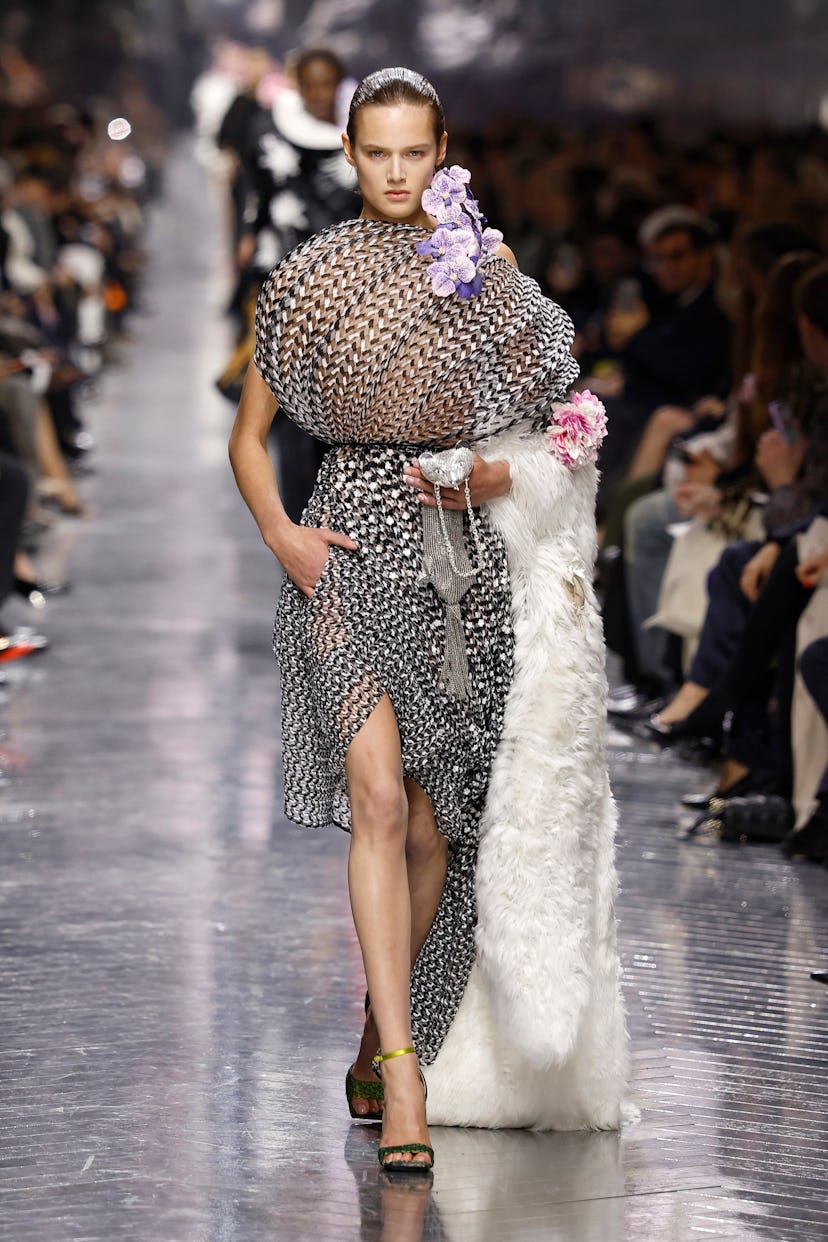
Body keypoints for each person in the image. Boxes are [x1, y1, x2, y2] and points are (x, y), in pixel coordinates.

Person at [229, 68, 628, 1172]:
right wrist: (283, 534)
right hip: (346, 542)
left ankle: (380, 1017)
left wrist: (498, 478)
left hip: (458, 564)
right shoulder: (308, 279)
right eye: (376, 152)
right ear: (350, 154)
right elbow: (248, 436)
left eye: (415, 152)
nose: (395, 172)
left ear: (440, 149)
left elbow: (573, 421)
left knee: (438, 826)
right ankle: (404, 1074)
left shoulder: (486, 276)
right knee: (375, 797)